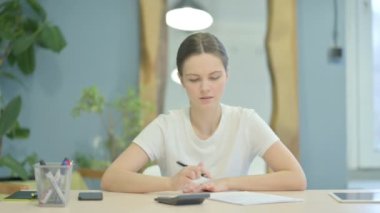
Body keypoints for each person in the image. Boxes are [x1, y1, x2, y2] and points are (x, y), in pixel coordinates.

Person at [101, 32, 307, 193]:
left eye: (215, 77)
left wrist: (226, 183)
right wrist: (171, 183)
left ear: (227, 75)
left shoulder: (246, 121)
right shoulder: (166, 126)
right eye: (194, 79)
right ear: (181, 80)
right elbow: (112, 178)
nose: (205, 88)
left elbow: (296, 178)